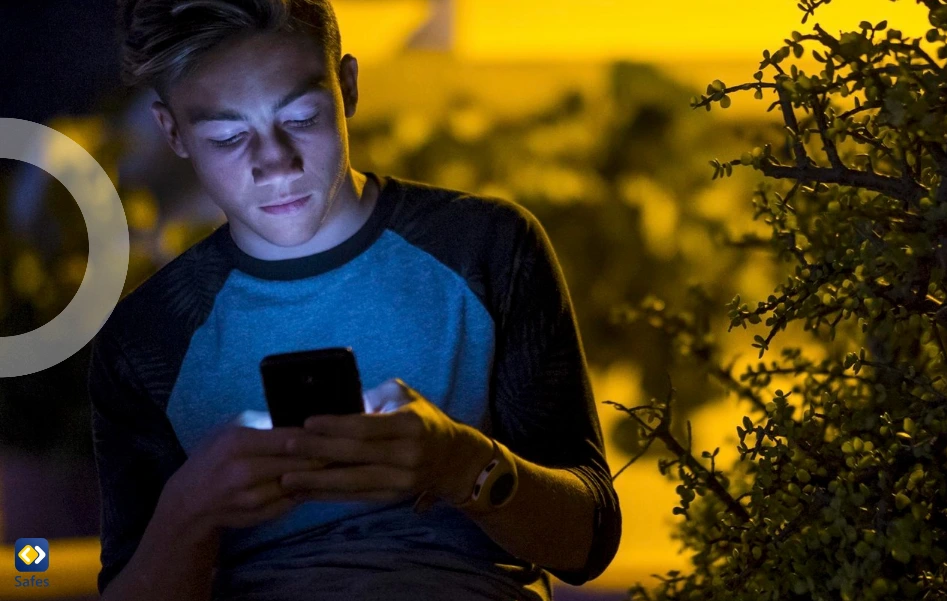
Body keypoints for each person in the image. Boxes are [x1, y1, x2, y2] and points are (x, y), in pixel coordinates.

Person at [90, 1, 622, 599]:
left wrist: (459, 462)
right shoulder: (148, 337)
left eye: (300, 117)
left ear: (347, 87)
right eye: (229, 136)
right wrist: (190, 509)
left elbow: (588, 542)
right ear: (173, 132)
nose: (275, 163)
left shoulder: (487, 248)